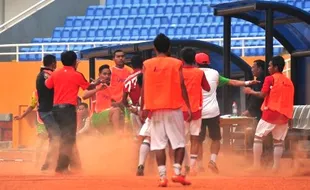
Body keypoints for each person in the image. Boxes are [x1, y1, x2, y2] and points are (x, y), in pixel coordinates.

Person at [195, 52, 260, 174]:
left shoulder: (193, 74)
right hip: (213, 112)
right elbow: (232, 82)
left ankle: (199, 166)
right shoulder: (214, 74)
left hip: (198, 112)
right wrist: (247, 83)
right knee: (216, 138)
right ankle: (212, 161)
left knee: (198, 141)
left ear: (195, 62)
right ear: (208, 62)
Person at [141, 34, 192, 187]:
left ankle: (163, 177)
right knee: (179, 142)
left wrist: (143, 107)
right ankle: (177, 173)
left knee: (158, 144)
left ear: (154, 48)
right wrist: (188, 106)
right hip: (173, 107)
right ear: (169, 47)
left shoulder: (147, 64)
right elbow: (182, 85)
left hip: (155, 108)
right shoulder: (176, 63)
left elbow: (144, 87)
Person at [45, 51, 102, 174]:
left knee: (60, 138)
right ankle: (62, 168)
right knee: (69, 139)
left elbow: (47, 85)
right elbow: (87, 87)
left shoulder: (56, 74)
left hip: (55, 109)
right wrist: (96, 83)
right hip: (68, 109)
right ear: (74, 61)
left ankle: (59, 165)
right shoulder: (77, 75)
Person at [244, 55, 294, 172]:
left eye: (270, 66)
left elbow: (262, 94)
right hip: (284, 114)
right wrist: (290, 117)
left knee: (258, 137)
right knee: (278, 141)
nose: (269, 68)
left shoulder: (269, 79)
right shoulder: (288, 81)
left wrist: (250, 91)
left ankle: (256, 166)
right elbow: (290, 99)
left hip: (271, 112)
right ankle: (275, 167)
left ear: (276, 67)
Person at [180, 48, 210, 175]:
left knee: (180, 140)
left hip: (180, 110)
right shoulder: (199, 73)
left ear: (182, 59)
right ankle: (192, 167)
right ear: (194, 59)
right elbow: (207, 88)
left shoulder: (178, 72)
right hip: (196, 109)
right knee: (195, 139)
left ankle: (182, 166)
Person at [35, 54, 61, 172]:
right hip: (48, 110)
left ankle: (50, 162)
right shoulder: (48, 75)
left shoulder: (41, 74)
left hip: (47, 110)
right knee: (56, 136)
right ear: (53, 63)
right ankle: (49, 163)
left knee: (54, 136)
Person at [14, 90, 48, 166]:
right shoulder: (36, 93)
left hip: (56, 119)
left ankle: (57, 162)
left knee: (57, 141)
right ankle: (36, 162)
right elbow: (32, 105)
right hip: (42, 121)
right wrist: (22, 116)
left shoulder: (57, 89)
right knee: (40, 142)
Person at [82, 64, 113, 135]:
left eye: (109, 74)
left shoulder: (111, 87)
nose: (107, 76)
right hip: (96, 116)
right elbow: (84, 96)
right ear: (99, 75)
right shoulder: (94, 84)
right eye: (104, 74)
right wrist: (98, 88)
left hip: (108, 116)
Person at [109, 50, 132, 135]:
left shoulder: (130, 71)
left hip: (126, 105)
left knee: (127, 129)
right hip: (113, 105)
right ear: (113, 59)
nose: (120, 58)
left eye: (122, 56)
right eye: (118, 56)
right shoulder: (109, 72)